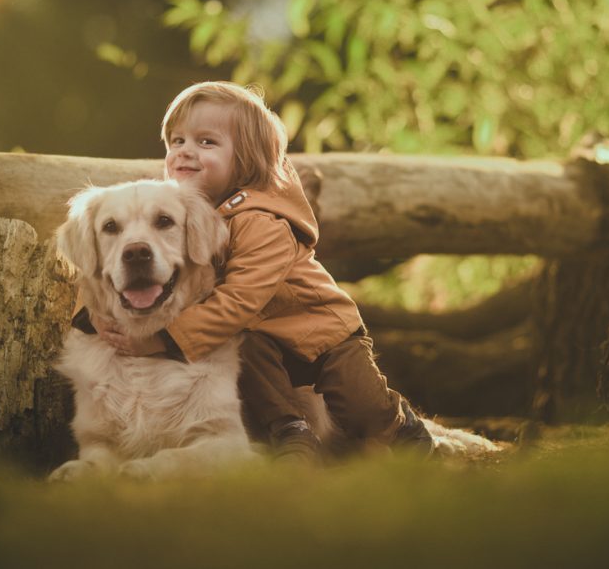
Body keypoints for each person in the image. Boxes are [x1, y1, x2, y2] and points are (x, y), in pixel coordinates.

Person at [88, 81, 433, 461]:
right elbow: (103, 261)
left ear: (247, 158)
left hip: (321, 333)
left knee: (362, 407)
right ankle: (292, 433)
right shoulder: (180, 210)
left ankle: (404, 431)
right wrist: (91, 316)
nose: (185, 152)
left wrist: (164, 340)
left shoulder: (262, 220)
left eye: (206, 142)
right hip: (258, 336)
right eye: (177, 141)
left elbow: (239, 300)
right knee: (250, 363)